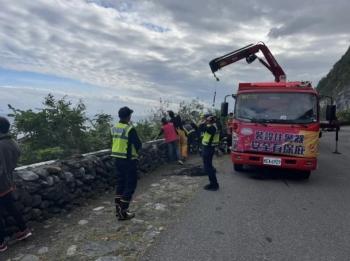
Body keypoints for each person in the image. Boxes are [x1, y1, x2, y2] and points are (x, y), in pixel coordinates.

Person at [0, 117, 32, 252]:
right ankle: (23, 229)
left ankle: (1, 243)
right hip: (8, 182)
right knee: (11, 207)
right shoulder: (13, 142)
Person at [111, 107, 142, 221]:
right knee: (130, 185)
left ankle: (118, 209)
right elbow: (138, 144)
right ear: (128, 116)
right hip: (128, 160)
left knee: (121, 184)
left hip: (117, 159)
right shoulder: (130, 129)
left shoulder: (114, 127)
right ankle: (123, 212)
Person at [200, 115, 220, 191]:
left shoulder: (212, 128)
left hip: (208, 148)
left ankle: (214, 185)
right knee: (209, 167)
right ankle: (213, 183)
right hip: (210, 148)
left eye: (207, 120)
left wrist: (204, 121)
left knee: (208, 168)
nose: (206, 121)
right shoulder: (216, 126)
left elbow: (201, 128)